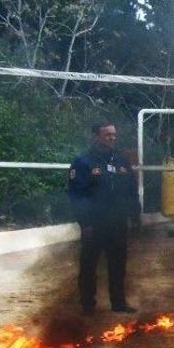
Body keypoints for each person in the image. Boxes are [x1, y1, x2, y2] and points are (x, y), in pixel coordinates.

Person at [68, 122, 141, 315]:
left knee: (118, 265)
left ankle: (118, 303)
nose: (112, 138)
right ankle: (88, 305)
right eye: (107, 134)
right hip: (95, 224)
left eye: (114, 135)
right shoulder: (83, 161)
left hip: (118, 223)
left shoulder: (121, 160)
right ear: (96, 136)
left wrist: (135, 214)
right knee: (89, 265)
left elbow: (132, 190)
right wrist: (85, 223)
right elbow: (77, 195)